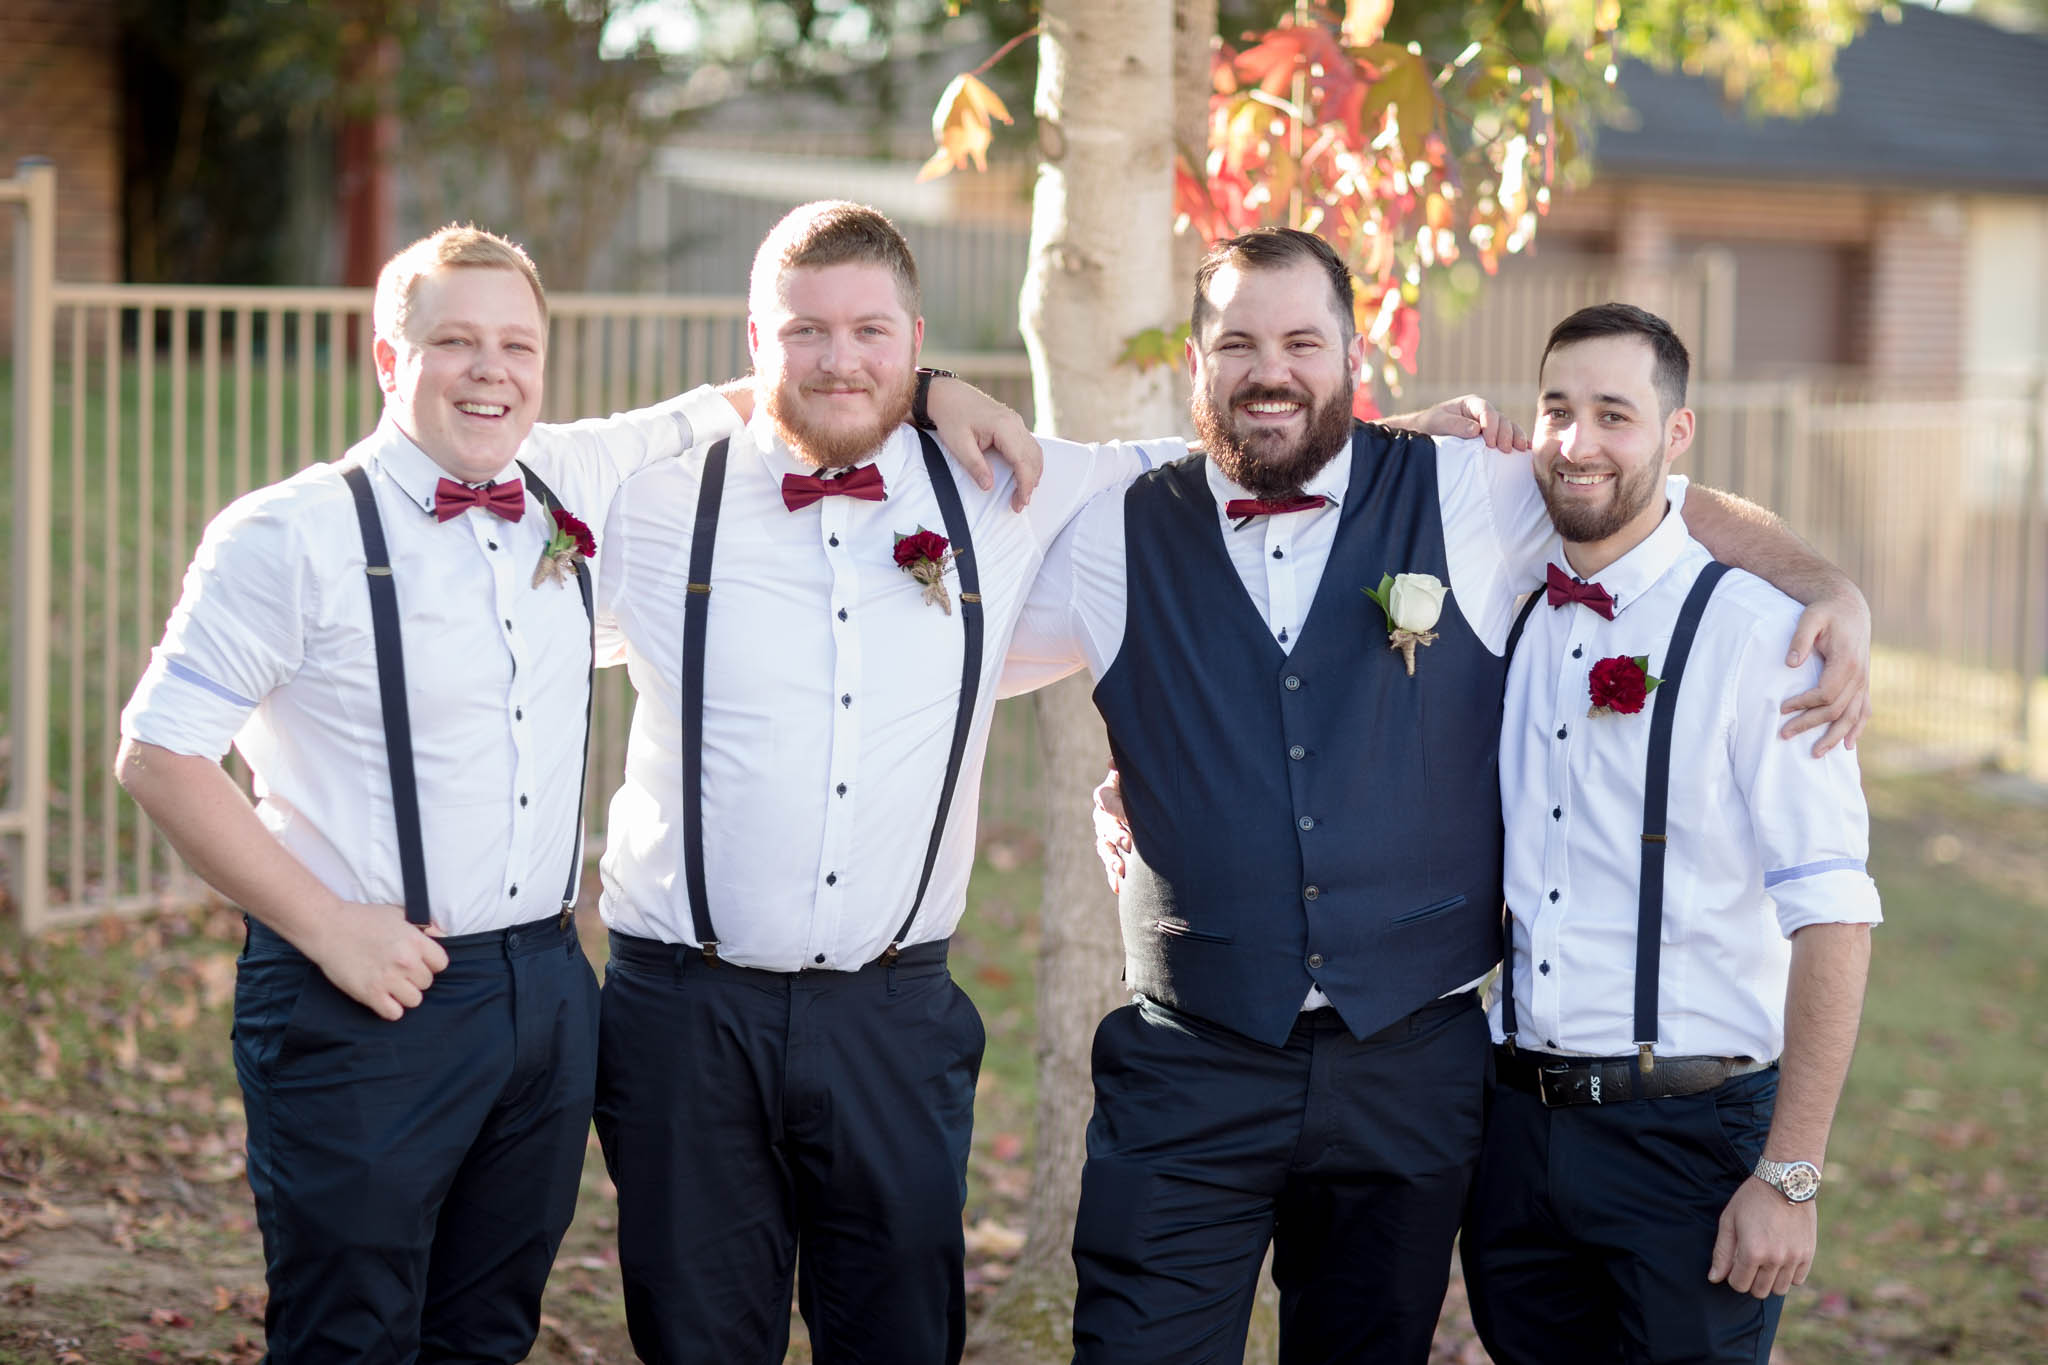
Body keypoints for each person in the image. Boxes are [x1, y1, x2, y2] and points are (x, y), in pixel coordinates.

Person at [586, 200, 1510, 1365]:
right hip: (696, 1006)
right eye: (804, 331)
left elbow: (1246, 461)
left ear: (915, 341)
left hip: (909, 1013)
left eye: (871, 332)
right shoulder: (662, 505)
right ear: (753, 341)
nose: (838, 359)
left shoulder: (1008, 493)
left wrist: (1394, 435)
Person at [110, 222, 1035, 1363]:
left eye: (517, 345)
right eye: (455, 342)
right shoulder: (287, 533)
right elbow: (158, 752)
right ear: (390, 358)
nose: (490, 371)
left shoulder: (575, 476)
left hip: (545, 997)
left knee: (487, 1330)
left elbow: (782, 387)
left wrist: (932, 389)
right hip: (365, 990)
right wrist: (329, 927)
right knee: (349, 1331)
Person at [1009, 227, 1871, 1365]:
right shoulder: (1112, 530)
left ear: (1352, 355)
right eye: (1239, 344)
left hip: (1410, 1069)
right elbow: (940, 662)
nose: (1270, 370)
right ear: (1195, 360)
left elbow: (1637, 494)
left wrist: (1826, 586)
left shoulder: (1469, 490)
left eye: (1302, 342)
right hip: (1192, 1059)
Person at [1458, 303, 1879, 1364]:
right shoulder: (1511, 607)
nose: (1578, 442)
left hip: (1691, 1139)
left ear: (1676, 434)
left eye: (1615, 414)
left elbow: (1833, 915)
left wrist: (1789, 1176)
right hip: (1515, 1133)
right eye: (1557, 409)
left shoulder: (1763, 639)